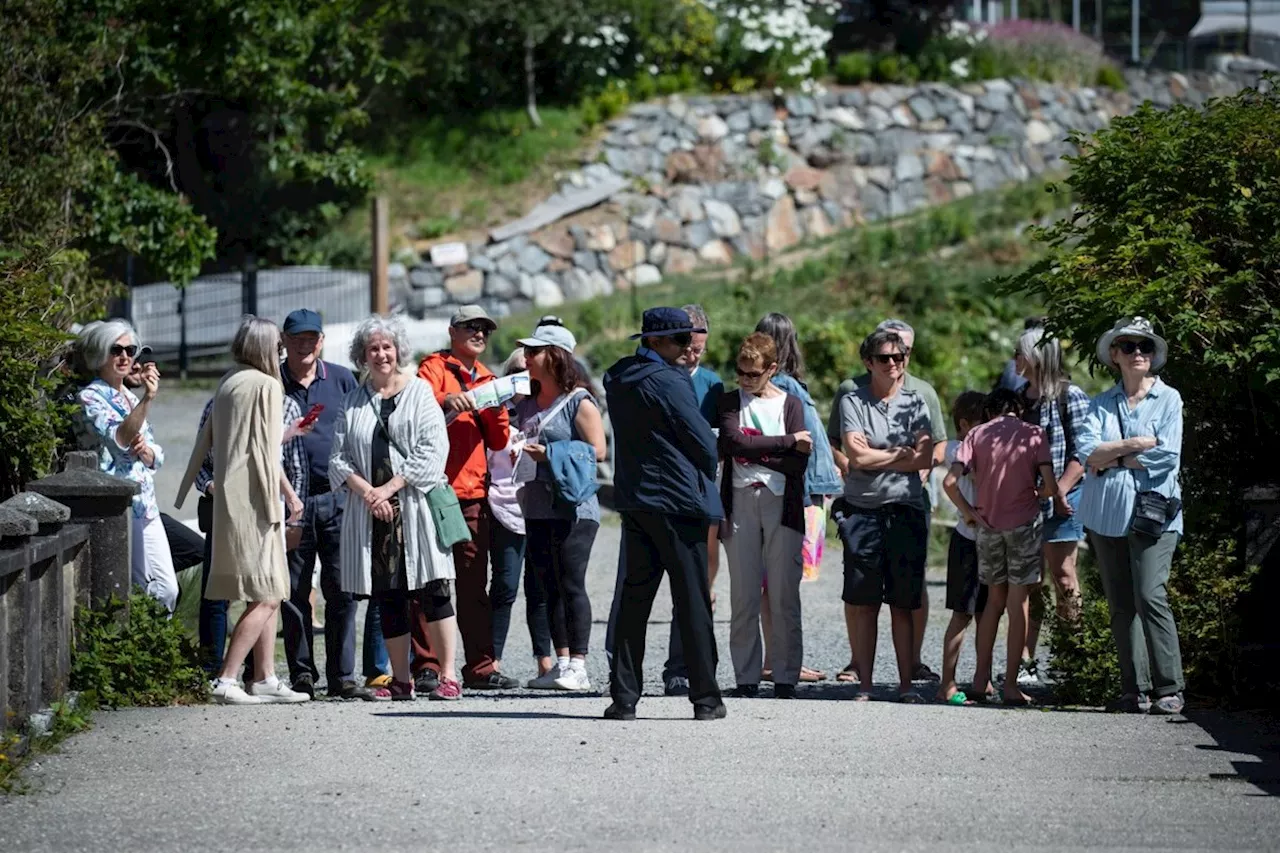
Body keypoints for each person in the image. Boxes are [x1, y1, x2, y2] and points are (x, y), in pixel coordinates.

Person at [176, 316, 309, 705]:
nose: (281, 354)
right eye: (279, 348)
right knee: (270, 593)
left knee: (259, 589)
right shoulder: (268, 386)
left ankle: (265, 676)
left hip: (228, 500)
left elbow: (212, 444)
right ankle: (228, 677)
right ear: (268, 349)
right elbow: (267, 453)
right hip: (255, 501)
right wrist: (285, 497)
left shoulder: (228, 383)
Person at [603, 307, 726, 721]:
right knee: (692, 600)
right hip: (678, 504)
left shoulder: (618, 376)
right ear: (655, 341)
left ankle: (623, 699)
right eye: (679, 339)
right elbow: (701, 441)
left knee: (633, 601)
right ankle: (706, 699)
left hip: (637, 501)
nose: (688, 346)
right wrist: (704, 469)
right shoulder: (670, 381)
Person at [329, 316, 461, 701]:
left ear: (398, 351)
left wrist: (388, 489)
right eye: (373, 348)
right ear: (363, 356)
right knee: (389, 595)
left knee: (435, 589)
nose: (381, 354)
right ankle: (401, 679)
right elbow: (338, 458)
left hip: (415, 507)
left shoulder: (420, 393)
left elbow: (432, 453)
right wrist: (370, 494)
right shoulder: (354, 400)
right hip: (373, 515)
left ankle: (449, 675)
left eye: (387, 347)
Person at [1077, 317, 1185, 716]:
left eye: (1145, 346)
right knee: (1120, 602)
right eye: (1129, 346)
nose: (1138, 353)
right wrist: (1134, 447)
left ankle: (1169, 686)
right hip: (1106, 513)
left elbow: (1167, 456)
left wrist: (1112, 456)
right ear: (1114, 355)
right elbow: (1088, 452)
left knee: (1150, 595)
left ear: (1154, 355)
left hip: (1153, 514)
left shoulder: (1169, 399)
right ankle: (1133, 689)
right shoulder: (1100, 402)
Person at [828, 318, 944, 685]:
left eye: (899, 357)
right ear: (868, 361)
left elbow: (926, 456)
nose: (893, 364)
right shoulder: (851, 398)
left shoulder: (919, 400)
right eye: (884, 358)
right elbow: (855, 456)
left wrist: (879, 454)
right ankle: (863, 681)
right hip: (863, 510)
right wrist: (900, 453)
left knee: (904, 601)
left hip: (906, 508)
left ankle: (906, 682)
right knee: (863, 600)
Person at [280, 308, 383, 701]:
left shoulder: (341, 378)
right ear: (284, 342)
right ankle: (302, 675)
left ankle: (342, 676)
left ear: (321, 341)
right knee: (293, 590)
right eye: (296, 338)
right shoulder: (273, 381)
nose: (304, 344)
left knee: (342, 589)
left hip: (339, 496)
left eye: (311, 338)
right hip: (292, 500)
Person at [416, 305, 518, 691]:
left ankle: (480, 668)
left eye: (485, 330)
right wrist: (447, 401)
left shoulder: (490, 380)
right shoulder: (432, 369)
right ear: (452, 332)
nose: (479, 334)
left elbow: (499, 440)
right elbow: (418, 410)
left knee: (474, 586)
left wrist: (492, 409)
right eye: (471, 327)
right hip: (434, 490)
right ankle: (427, 666)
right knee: (429, 581)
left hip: (473, 494)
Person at [945, 389, 1057, 707]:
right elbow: (1048, 484)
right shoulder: (1034, 434)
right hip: (1023, 525)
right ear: (1017, 409)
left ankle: (981, 679)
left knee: (993, 601)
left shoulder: (977, 434)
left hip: (988, 527)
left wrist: (970, 513)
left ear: (991, 411)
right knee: (1017, 602)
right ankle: (1010, 685)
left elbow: (950, 483)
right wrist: (1039, 495)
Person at [512, 322, 607, 691]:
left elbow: (599, 450)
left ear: (554, 356)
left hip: (573, 508)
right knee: (548, 584)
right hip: (536, 506)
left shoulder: (579, 401)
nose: (527, 357)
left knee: (571, 584)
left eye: (534, 352)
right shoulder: (527, 402)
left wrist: (550, 453)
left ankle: (579, 665)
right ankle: (562, 662)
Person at [717, 333, 811, 699]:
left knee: (785, 594)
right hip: (740, 500)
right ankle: (746, 676)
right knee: (743, 594)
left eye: (753, 374)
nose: (744, 379)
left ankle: (786, 674)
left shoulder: (791, 404)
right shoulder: (728, 401)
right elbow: (733, 443)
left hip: (781, 504)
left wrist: (756, 450)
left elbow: (798, 465)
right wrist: (786, 442)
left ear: (771, 369)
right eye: (740, 372)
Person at [193, 385, 310, 674]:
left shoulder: (285, 405)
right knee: (217, 595)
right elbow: (201, 462)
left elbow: (289, 466)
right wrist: (212, 488)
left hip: (267, 513)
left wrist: (294, 510)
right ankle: (214, 671)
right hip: (226, 511)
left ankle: (256, 673)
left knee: (265, 594)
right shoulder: (219, 402)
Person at [755, 311, 843, 684]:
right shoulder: (789, 388)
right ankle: (784, 661)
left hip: (781, 490)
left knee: (770, 582)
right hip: (800, 494)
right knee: (784, 583)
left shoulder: (770, 386)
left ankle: (776, 658)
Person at [73, 320, 178, 613]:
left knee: (167, 589)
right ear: (98, 355)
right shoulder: (90, 396)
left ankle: (155, 650)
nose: (124, 357)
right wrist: (148, 398)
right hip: (118, 506)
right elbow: (120, 437)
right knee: (132, 589)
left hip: (146, 504)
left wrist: (147, 452)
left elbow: (157, 455)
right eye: (115, 350)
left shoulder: (129, 396)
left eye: (129, 350)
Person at [1013, 325, 1091, 683]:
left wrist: (1059, 490)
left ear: (1035, 356)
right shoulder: (1018, 398)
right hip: (1024, 505)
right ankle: (1025, 661)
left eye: (1020, 352)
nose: (1015, 358)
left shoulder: (1069, 396)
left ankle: (1071, 657)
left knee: (1063, 576)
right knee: (1029, 582)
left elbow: (1083, 451)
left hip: (1063, 502)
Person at [657, 304, 723, 697]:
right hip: (662, 493)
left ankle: (691, 667)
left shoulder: (713, 385)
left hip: (702, 495)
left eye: (700, 347)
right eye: (688, 346)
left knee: (699, 587)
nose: (693, 354)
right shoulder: (657, 378)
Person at [486, 349, 553, 681]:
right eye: (515, 373)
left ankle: (544, 659)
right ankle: (491, 660)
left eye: (527, 374)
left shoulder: (542, 413)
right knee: (505, 585)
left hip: (537, 504)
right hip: (502, 507)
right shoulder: (495, 414)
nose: (522, 380)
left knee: (540, 586)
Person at [936, 391, 989, 705]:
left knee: (988, 613)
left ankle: (983, 679)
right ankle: (948, 683)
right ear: (966, 424)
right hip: (967, 540)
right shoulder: (958, 449)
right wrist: (969, 512)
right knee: (962, 613)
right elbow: (954, 481)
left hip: (991, 539)